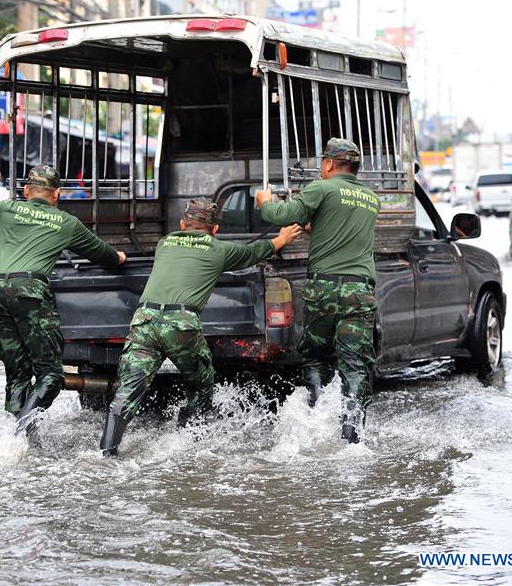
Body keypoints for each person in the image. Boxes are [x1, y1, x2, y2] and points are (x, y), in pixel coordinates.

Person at [100, 199, 302, 457]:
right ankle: (186, 438)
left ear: (182, 224)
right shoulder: (219, 249)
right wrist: (282, 238)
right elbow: (254, 252)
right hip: (180, 326)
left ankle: (106, 452)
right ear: (215, 229)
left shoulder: (165, 243)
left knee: (128, 390)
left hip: (144, 321)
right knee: (201, 382)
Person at [0, 165, 126, 433]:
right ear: (57, 194)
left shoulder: (8, 209)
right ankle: (18, 435)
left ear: (25, 191)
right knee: (51, 376)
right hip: (31, 293)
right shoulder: (66, 223)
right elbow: (103, 255)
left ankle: (14, 436)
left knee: (17, 373)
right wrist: (120, 257)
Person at [255, 138, 381, 444]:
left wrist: (265, 203)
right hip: (359, 289)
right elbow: (336, 223)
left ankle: (313, 424)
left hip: (324, 286)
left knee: (315, 356)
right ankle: (352, 437)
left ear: (328, 164)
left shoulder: (320, 188)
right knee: (355, 363)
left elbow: (282, 215)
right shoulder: (370, 198)